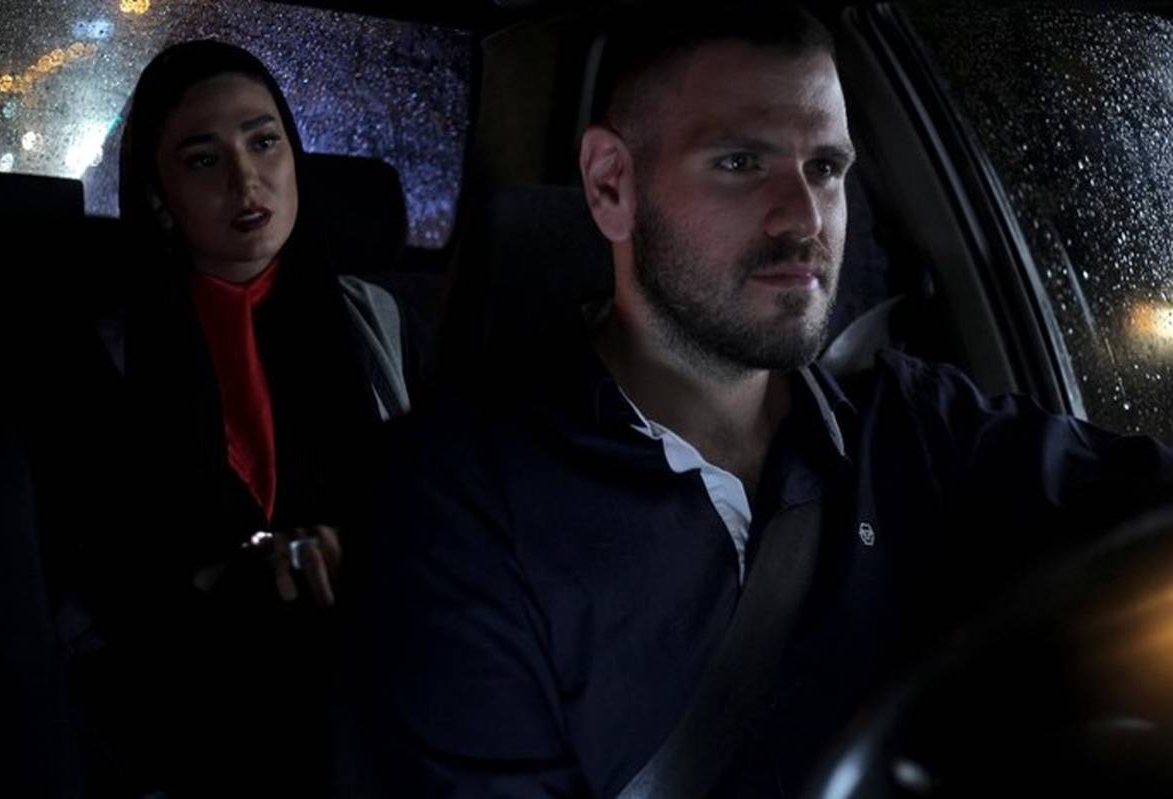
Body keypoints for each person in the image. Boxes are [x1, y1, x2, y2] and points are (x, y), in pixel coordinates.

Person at [337, 4, 1173, 798]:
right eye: (741, 163)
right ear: (611, 184)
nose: (804, 218)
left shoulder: (919, 427)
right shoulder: (456, 499)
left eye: (826, 168)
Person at [97, 39, 412, 796]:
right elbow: (109, 572)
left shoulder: (371, 320)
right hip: (189, 703)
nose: (246, 181)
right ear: (159, 196)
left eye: (264, 143)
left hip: (369, 682)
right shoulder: (111, 348)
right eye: (204, 160)